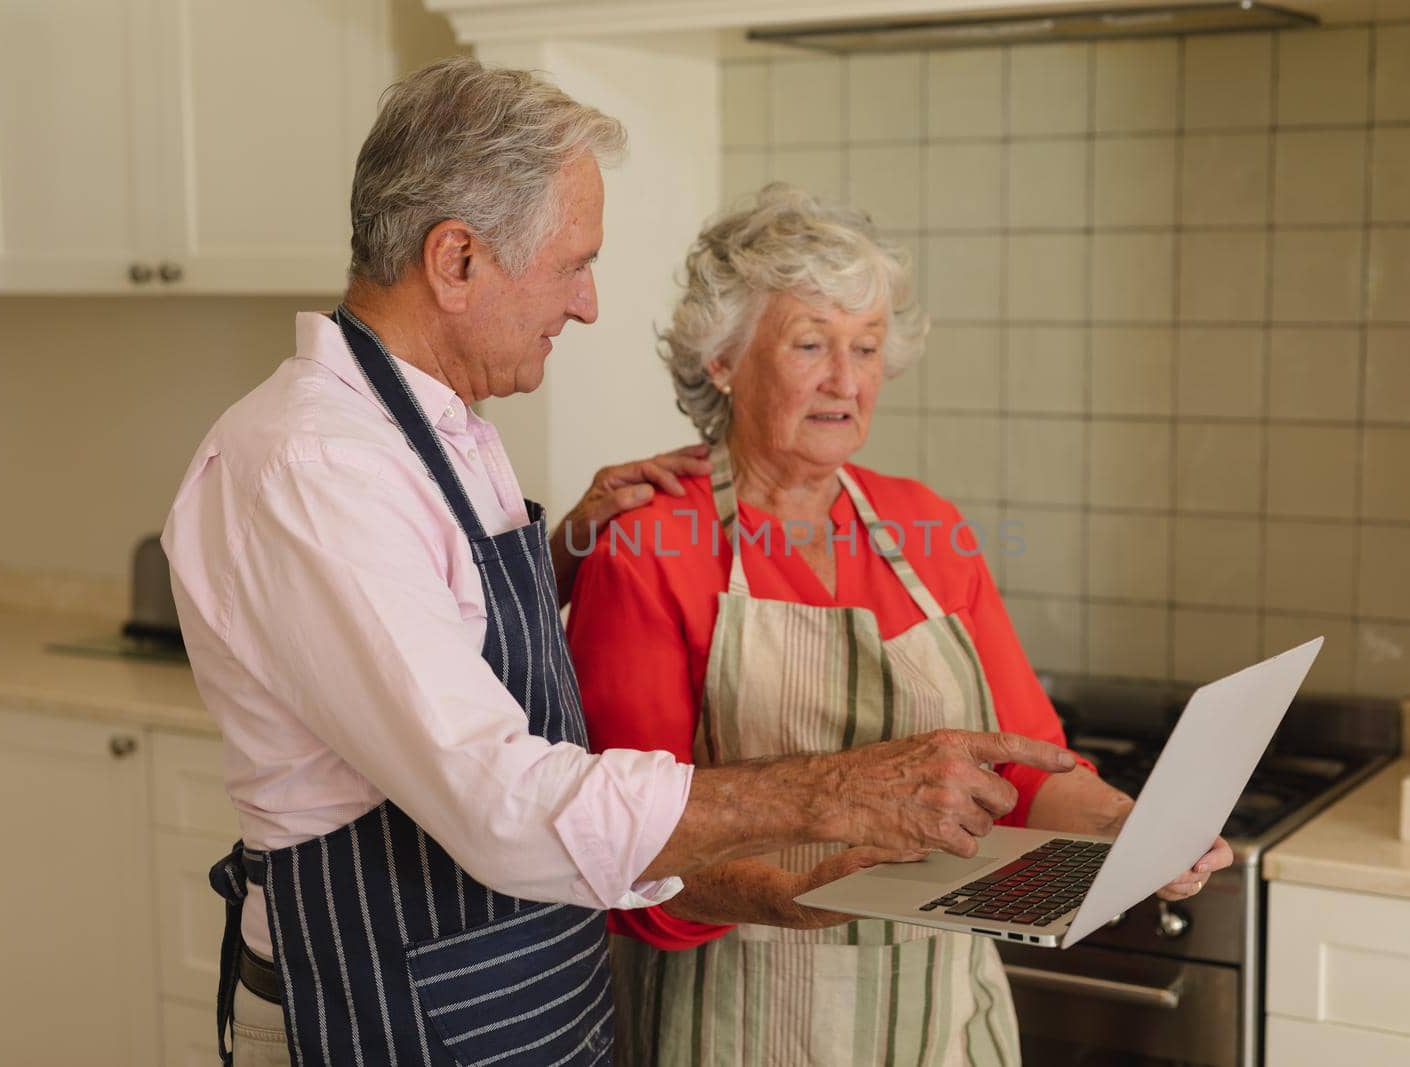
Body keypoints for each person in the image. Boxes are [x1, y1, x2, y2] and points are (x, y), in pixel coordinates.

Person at [162, 61, 1072, 1067]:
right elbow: (502, 802)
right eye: (571, 264)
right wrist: (830, 793)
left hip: (509, 998)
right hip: (390, 1008)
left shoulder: (436, 433)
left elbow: (438, 644)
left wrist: (553, 561)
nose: (588, 304)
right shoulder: (316, 464)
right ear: (455, 258)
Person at [565, 184, 1235, 1065]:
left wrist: (1127, 826)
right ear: (724, 360)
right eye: (812, 344)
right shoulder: (650, 545)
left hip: (943, 1021)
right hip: (747, 1019)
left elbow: (1027, 761)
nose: (847, 380)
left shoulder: (928, 526)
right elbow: (630, 858)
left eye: (868, 347)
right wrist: (802, 891)